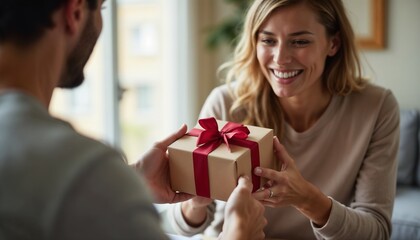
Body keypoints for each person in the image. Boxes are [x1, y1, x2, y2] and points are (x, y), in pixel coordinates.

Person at [0, 0, 267, 239]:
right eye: (102, 8)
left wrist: (132, 178)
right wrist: (238, 232)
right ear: (76, 11)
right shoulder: (80, 168)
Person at [166, 0, 400, 239]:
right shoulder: (226, 103)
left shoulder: (376, 108)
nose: (280, 58)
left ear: (333, 43)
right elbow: (184, 225)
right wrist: (194, 204)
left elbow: (377, 232)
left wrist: (307, 198)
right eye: (268, 40)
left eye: (299, 41)